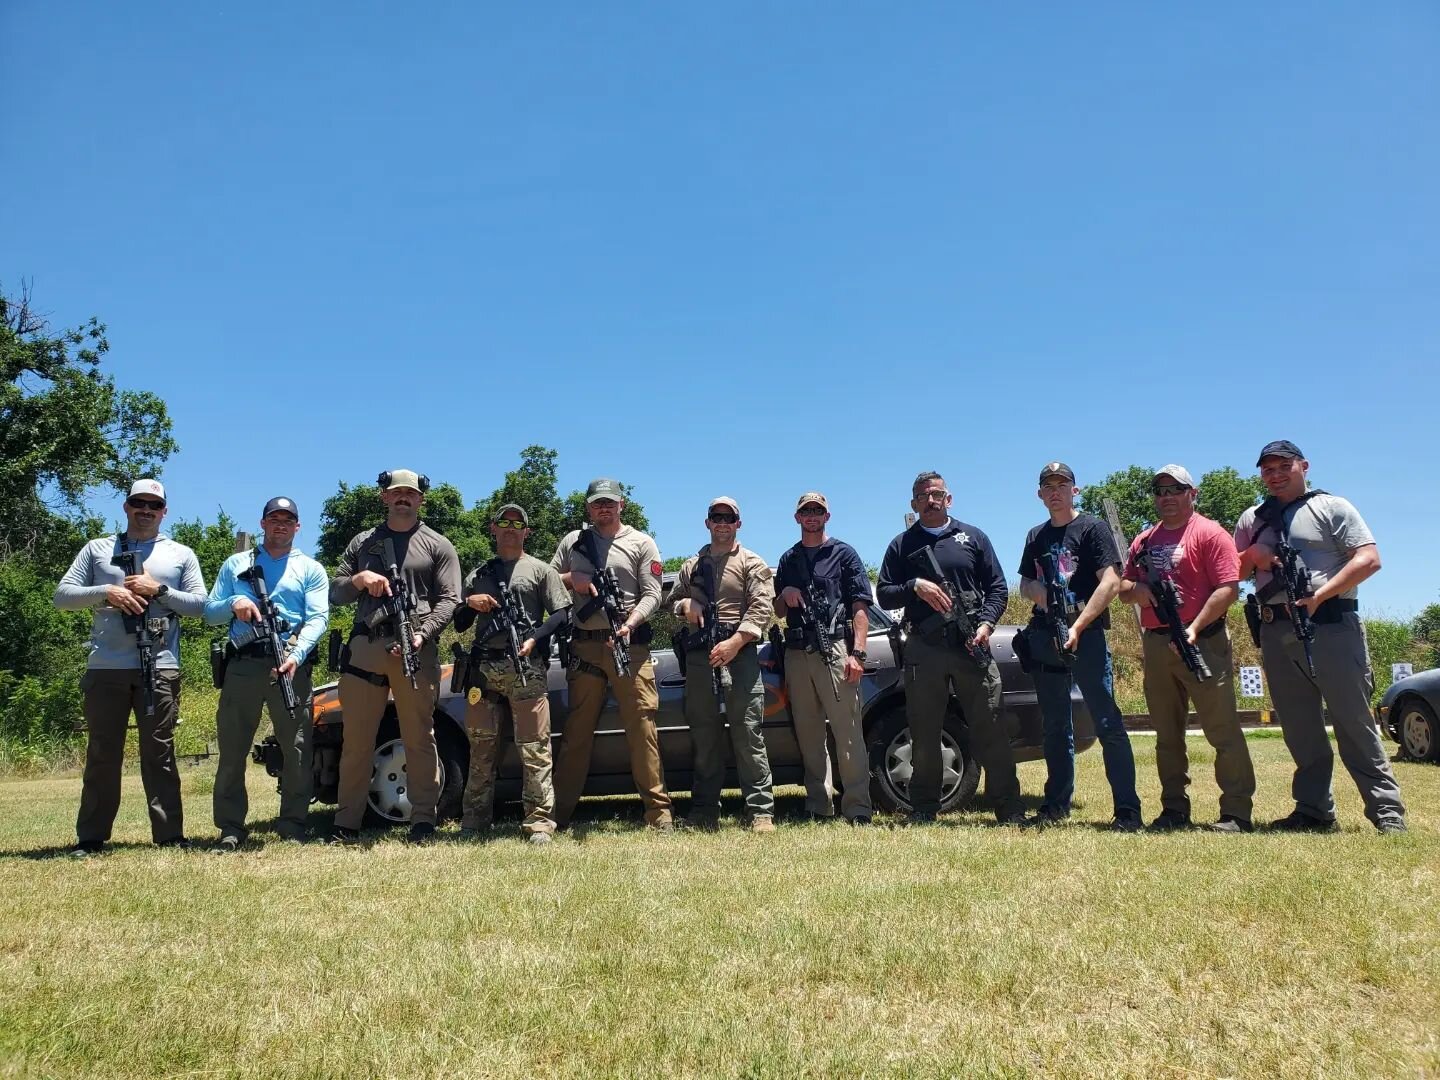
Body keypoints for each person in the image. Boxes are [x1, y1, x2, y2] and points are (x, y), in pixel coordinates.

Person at [1234, 440, 1406, 833]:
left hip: (1332, 625)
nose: (1275, 474)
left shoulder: (1332, 507)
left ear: (1304, 466)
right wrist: (1256, 556)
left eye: (1283, 466)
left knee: (1354, 723)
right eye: (1267, 469)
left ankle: (1386, 813)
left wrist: (1320, 595)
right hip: (1276, 629)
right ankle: (1313, 811)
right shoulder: (1252, 518)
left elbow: (1369, 558)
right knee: (1299, 728)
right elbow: (1233, 572)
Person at [54, 479, 207, 855]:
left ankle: (170, 835)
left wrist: (160, 592)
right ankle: (91, 838)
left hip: (161, 666)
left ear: (164, 511)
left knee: (160, 751)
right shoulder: (97, 549)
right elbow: (62, 596)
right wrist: (107, 592)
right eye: (139, 503)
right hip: (106, 667)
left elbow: (201, 606)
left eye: (154, 505)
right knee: (103, 752)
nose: (146, 510)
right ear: (126, 506)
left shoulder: (180, 553)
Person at [876, 471, 1023, 824]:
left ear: (949, 499)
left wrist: (986, 624)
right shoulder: (901, 545)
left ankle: (1008, 807)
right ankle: (924, 808)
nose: (931, 500)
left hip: (972, 644)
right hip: (924, 649)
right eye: (923, 495)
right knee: (924, 729)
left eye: (937, 494)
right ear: (913, 503)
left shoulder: (973, 537)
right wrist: (914, 586)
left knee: (990, 726)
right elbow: (883, 592)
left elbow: (998, 588)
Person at [1119, 465, 1256, 832]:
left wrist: (1194, 629)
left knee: (1222, 729)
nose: (1167, 497)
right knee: (1167, 733)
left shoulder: (1210, 534)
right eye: (1160, 491)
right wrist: (1140, 593)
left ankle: (1236, 812)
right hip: (1157, 643)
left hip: (1204, 641)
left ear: (1191, 493)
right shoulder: (1144, 541)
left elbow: (1228, 588)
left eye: (1175, 490)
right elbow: (1124, 589)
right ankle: (1174, 809)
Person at [327, 470, 460, 845]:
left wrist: (423, 632)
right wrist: (359, 580)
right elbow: (335, 593)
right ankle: (346, 823)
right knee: (357, 739)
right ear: (384, 497)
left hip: (417, 648)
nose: (404, 498)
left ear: (420, 500)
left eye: (411, 494)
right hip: (366, 648)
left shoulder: (438, 545)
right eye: (396, 492)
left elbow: (450, 599)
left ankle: (423, 821)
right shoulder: (362, 543)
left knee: (419, 737)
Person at [1015, 463, 1142, 831]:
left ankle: (1127, 811)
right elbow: (1024, 582)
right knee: (1055, 726)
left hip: (1086, 636)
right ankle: (1056, 805)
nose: (1055, 491)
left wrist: (1079, 624)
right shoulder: (1035, 536)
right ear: (1039, 494)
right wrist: (1037, 594)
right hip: (1046, 635)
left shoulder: (1092, 528)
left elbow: (1111, 582)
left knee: (1107, 721)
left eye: (1062, 484)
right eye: (1048, 486)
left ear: (1075, 490)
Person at [203, 497, 329, 848]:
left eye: (288, 520)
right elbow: (209, 612)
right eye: (274, 519)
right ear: (262, 523)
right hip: (243, 665)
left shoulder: (311, 568)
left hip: (290, 664)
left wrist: (297, 654)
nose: (281, 525)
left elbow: (319, 617)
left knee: (298, 747)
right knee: (232, 748)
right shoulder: (236, 564)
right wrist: (234, 603)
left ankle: (292, 824)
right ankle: (230, 827)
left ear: (297, 527)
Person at [550, 478, 674, 830]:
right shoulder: (573, 542)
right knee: (577, 731)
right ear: (589, 507)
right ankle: (556, 815)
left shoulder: (641, 542)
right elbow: (547, 581)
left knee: (642, 730)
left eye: (610, 502)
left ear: (622, 505)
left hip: (629, 646)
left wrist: (631, 621)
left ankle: (659, 814)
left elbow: (653, 594)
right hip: (584, 646)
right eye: (597, 503)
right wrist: (572, 579)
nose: (603, 508)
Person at [454, 503, 572, 844]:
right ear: (493, 528)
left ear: (526, 531)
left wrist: (535, 638)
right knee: (481, 748)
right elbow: (460, 623)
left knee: (535, 748)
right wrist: (469, 602)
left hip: (527, 669)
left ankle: (539, 823)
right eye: (503, 522)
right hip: (484, 672)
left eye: (517, 523)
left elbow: (561, 613)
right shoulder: (479, 573)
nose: (510, 528)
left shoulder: (540, 570)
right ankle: (474, 821)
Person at [669, 497, 777, 832]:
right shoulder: (692, 565)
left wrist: (736, 641)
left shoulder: (751, 562)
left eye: (728, 518)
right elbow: (669, 602)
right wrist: (686, 604)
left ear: (738, 524)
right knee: (704, 734)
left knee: (748, 733)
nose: (722, 523)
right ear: (707, 523)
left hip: (740, 655)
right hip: (701, 657)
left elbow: (762, 607)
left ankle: (760, 811)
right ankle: (703, 811)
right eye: (716, 517)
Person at [773, 492, 874, 825]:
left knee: (847, 732)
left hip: (833, 649)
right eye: (806, 511)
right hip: (797, 653)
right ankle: (818, 805)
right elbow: (775, 609)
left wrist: (857, 653)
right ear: (797, 518)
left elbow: (860, 607)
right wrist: (784, 595)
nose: (812, 516)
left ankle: (858, 807)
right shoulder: (788, 559)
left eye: (818, 511)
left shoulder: (844, 554)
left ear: (827, 516)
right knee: (809, 733)